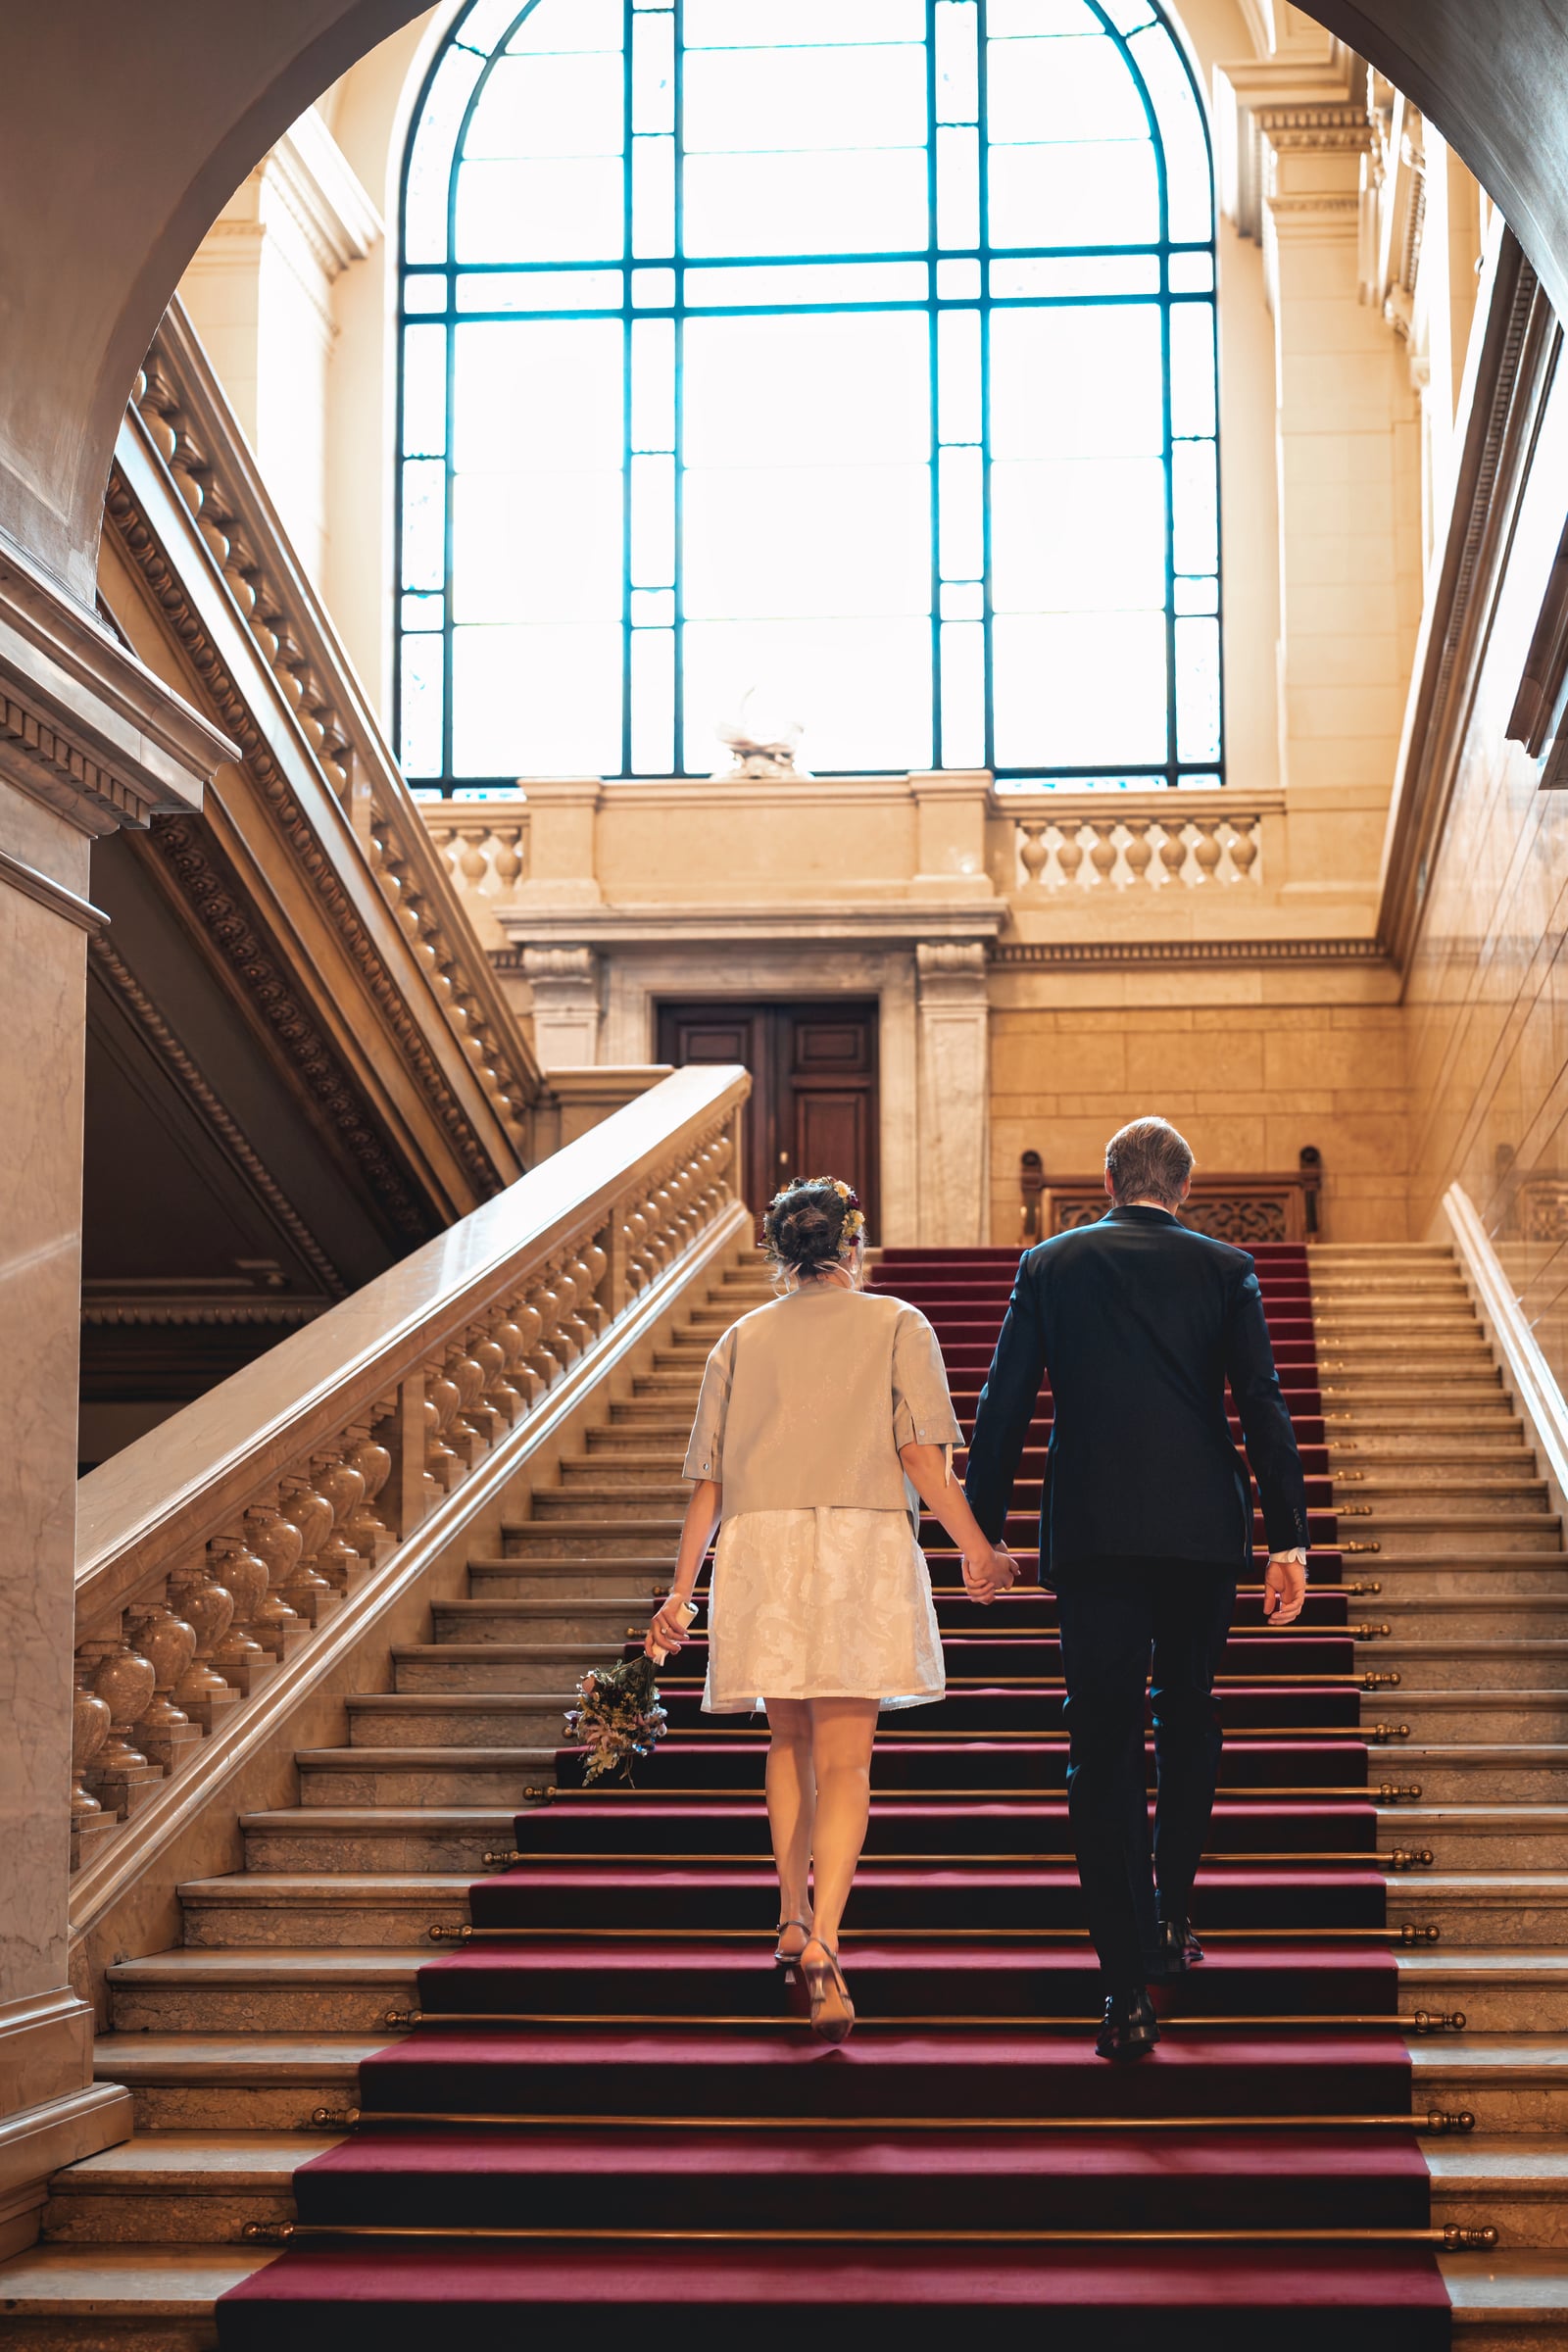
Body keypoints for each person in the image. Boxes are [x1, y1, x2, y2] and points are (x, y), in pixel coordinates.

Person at [963, 1116, 1309, 2062]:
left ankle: (1124, 1992)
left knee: (1102, 1743)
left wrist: (981, 1529)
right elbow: (1264, 1402)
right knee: (1189, 1716)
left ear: (1108, 1182)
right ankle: (1170, 1918)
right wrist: (1290, 1539)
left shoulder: (1050, 1266)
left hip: (1095, 1533)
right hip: (1203, 1533)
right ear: (1183, 1188)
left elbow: (1005, 1401)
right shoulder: (1226, 1267)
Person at [646, 1175, 1012, 2043]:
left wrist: (680, 1591)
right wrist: (976, 1546)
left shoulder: (739, 1337)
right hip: (859, 1539)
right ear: (854, 1244)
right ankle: (830, 1938)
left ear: (780, 1252)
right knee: (846, 1763)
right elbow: (922, 1457)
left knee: (787, 1742)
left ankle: (787, 1915)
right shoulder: (898, 1323)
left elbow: (708, 1485)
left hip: (762, 1542)